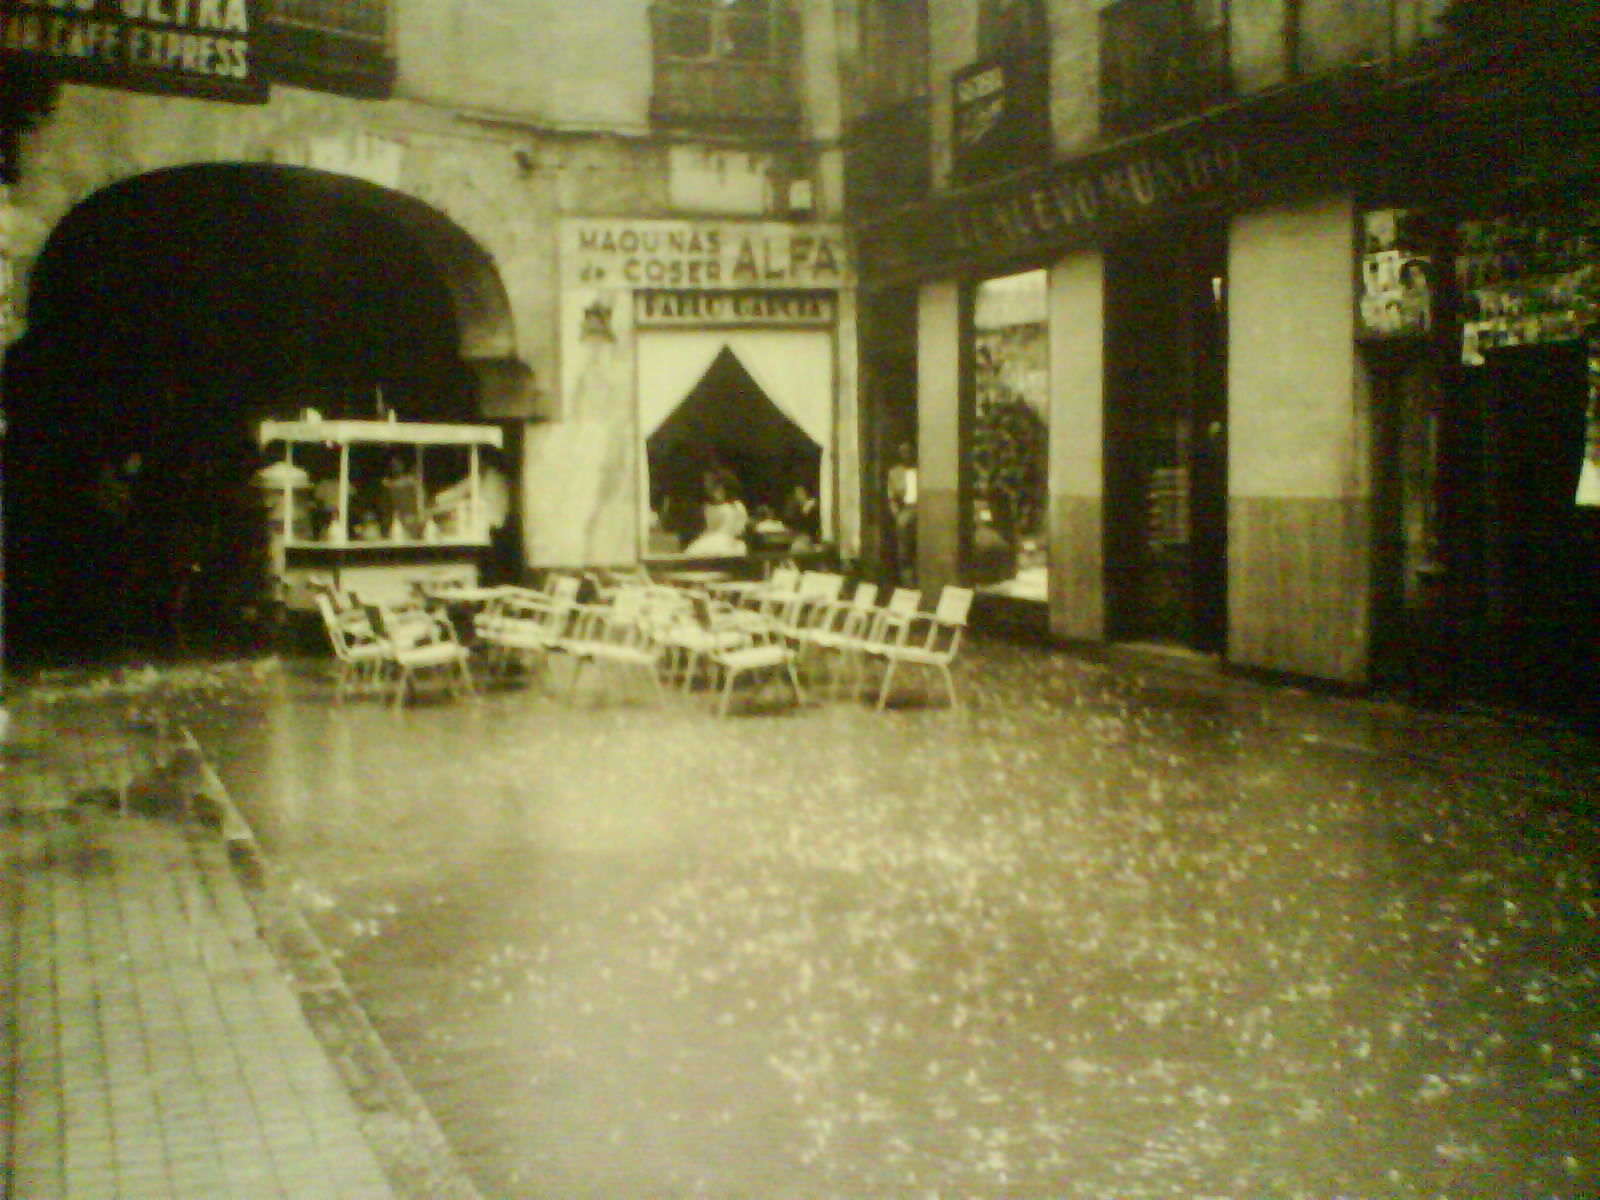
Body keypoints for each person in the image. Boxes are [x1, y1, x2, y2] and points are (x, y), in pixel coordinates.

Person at [684, 469, 748, 557]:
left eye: (708, 481)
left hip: (729, 542)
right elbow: (707, 527)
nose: (705, 484)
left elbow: (740, 528)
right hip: (709, 540)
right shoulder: (706, 507)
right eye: (705, 481)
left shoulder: (736, 506)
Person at [887, 441, 918, 584]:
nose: (906, 455)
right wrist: (896, 514)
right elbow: (891, 497)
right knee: (904, 546)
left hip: (923, 509)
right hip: (906, 509)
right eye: (903, 452)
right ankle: (907, 579)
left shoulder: (921, 470)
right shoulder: (894, 473)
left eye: (908, 451)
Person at [782, 483, 820, 549]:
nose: (799, 495)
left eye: (801, 492)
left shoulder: (813, 505)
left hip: (809, 538)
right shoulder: (793, 506)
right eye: (797, 493)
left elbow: (812, 526)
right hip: (797, 536)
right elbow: (788, 520)